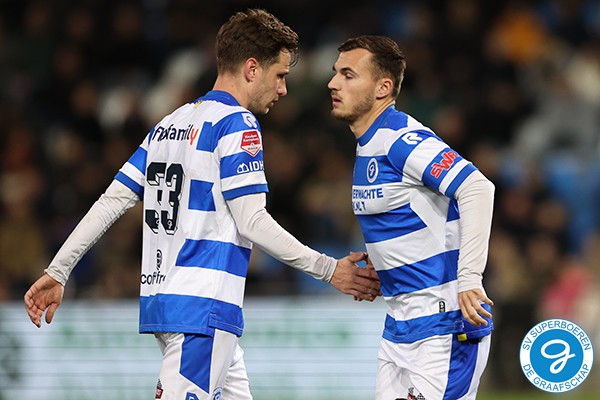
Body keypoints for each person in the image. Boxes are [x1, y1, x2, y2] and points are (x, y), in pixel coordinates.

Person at [24, 10, 380, 400]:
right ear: (251, 68)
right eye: (279, 75)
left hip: (170, 306)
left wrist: (59, 269)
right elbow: (252, 221)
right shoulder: (237, 124)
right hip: (202, 310)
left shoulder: (168, 125)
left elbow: (112, 201)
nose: (282, 89)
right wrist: (329, 269)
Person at [328, 35, 495, 400]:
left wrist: (470, 277)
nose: (333, 83)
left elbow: (478, 188)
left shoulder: (400, 138)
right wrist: (386, 266)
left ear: (383, 88)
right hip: (400, 325)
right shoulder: (368, 145)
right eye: (336, 73)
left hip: (444, 323)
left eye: (348, 75)